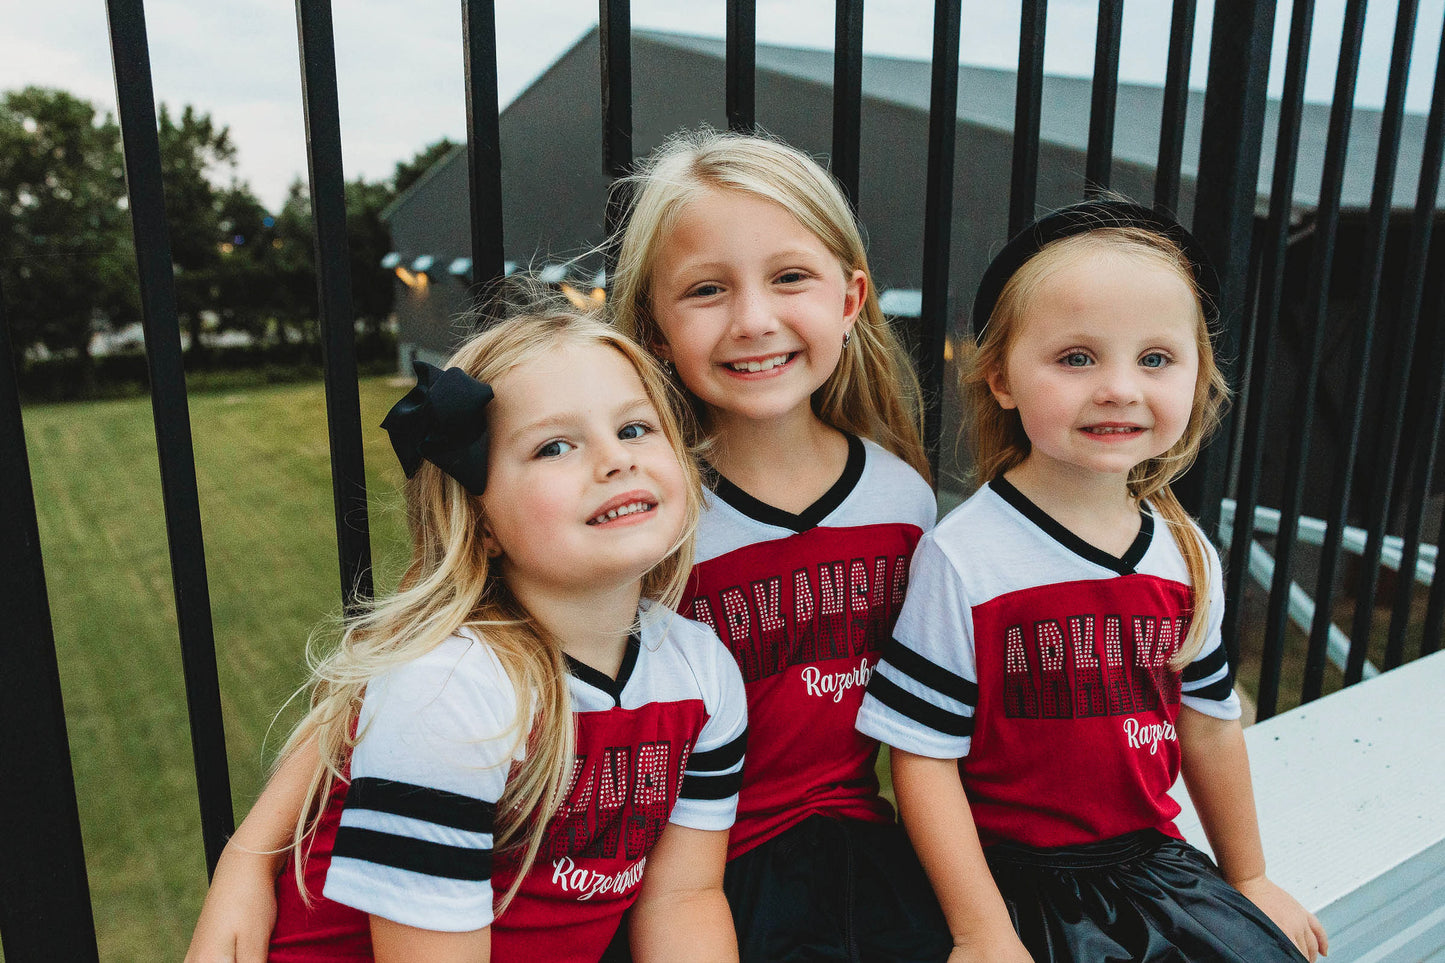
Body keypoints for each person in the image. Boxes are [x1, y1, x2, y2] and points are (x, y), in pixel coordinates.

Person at [185, 306, 748, 962]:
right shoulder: (452, 689)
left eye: (633, 427)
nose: (614, 459)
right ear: (480, 523)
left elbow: (683, 899)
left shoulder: (702, 672)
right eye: (553, 446)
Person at [854, 199, 1329, 963]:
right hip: (1012, 883)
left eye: (1154, 358)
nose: (1118, 387)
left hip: (1148, 868)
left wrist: (1251, 874)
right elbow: (922, 756)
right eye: (1076, 357)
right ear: (1001, 377)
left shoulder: (1183, 552)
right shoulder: (965, 557)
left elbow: (1208, 723)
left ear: (1196, 374)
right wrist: (981, 931)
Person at [610, 128, 952, 962]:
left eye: (789, 276)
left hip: (857, 857)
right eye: (705, 290)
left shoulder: (902, 498)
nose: (753, 320)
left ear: (848, 297)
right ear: (654, 328)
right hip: (685, 873)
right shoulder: (647, 518)